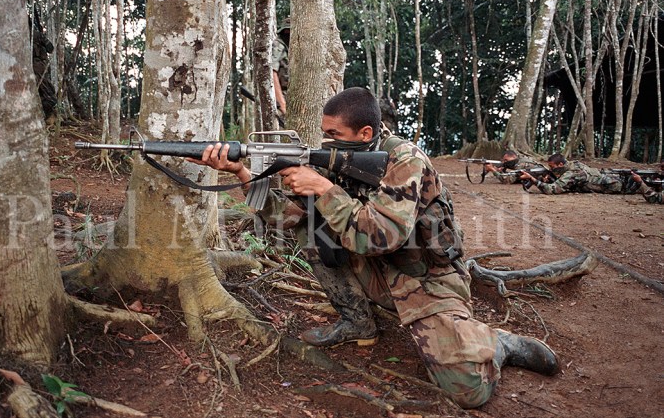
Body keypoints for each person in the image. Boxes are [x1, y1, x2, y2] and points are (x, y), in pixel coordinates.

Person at [193, 87, 559, 409]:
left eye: (334, 134)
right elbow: (284, 220)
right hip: (377, 274)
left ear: (365, 132)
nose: (326, 143)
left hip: (427, 280)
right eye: (325, 134)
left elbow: (382, 236)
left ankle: (498, 343)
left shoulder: (405, 160)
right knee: (309, 226)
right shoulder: (339, 158)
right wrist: (241, 174)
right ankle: (357, 321)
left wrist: (323, 189)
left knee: (468, 392)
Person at [520, 153, 631, 194]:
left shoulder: (573, 172)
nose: (551, 169)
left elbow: (552, 190)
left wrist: (533, 180)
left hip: (619, 185)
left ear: (560, 165)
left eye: (552, 167)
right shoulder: (572, 164)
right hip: (613, 178)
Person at [271, 19, 291, 115]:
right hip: (280, 98)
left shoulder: (291, 48)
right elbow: (272, 73)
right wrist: (282, 103)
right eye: (286, 32)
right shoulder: (278, 46)